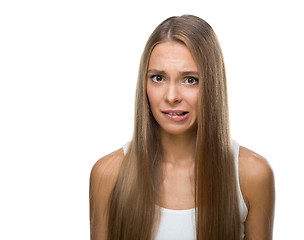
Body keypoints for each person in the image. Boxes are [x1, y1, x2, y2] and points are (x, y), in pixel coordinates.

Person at [89, 15, 275, 240]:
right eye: (158, 78)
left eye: (190, 80)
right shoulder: (108, 174)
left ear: (212, 84)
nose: (171, 96)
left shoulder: (251, 175)